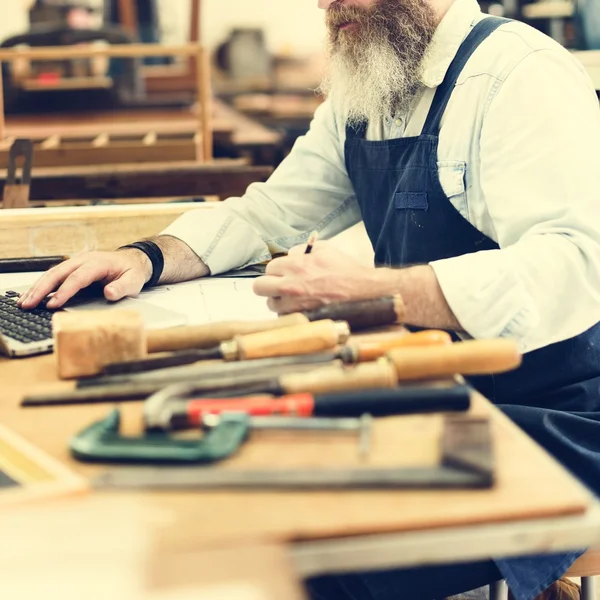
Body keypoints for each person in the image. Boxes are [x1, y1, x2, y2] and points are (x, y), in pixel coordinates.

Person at [18, 0, 600, 598]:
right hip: (437, 393)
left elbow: (574, 268)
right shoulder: (373, 85)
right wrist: (149, 256)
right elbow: (272, 210)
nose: (323, 2)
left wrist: (376, 292)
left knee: (315, 553)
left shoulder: (519, 73)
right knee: (223, 494)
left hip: (561, 420)